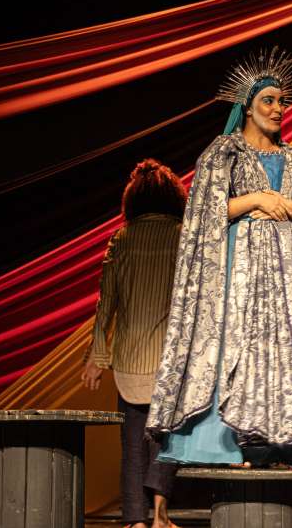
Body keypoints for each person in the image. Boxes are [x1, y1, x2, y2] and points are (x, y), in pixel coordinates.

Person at [145, 47, 292, 469]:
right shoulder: (225, 153)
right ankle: (229, 445)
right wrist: (255, 200)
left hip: (288, 280)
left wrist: (289, 208)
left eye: (281, 102)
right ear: (247, 106)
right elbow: (204, 210)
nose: (277, 109)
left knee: (288, 351)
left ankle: (284, 446)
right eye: (268, 101)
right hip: (238, 275)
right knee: (236, 347)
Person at [82, 159, 184, 528]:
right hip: (172, 358)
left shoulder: (122, 239)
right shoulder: (183, 235)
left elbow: (105, 302)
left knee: (132, 443)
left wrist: (98, 356)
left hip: (128, 359)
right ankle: (160, 515)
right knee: (166, 439)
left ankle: (135, 520)